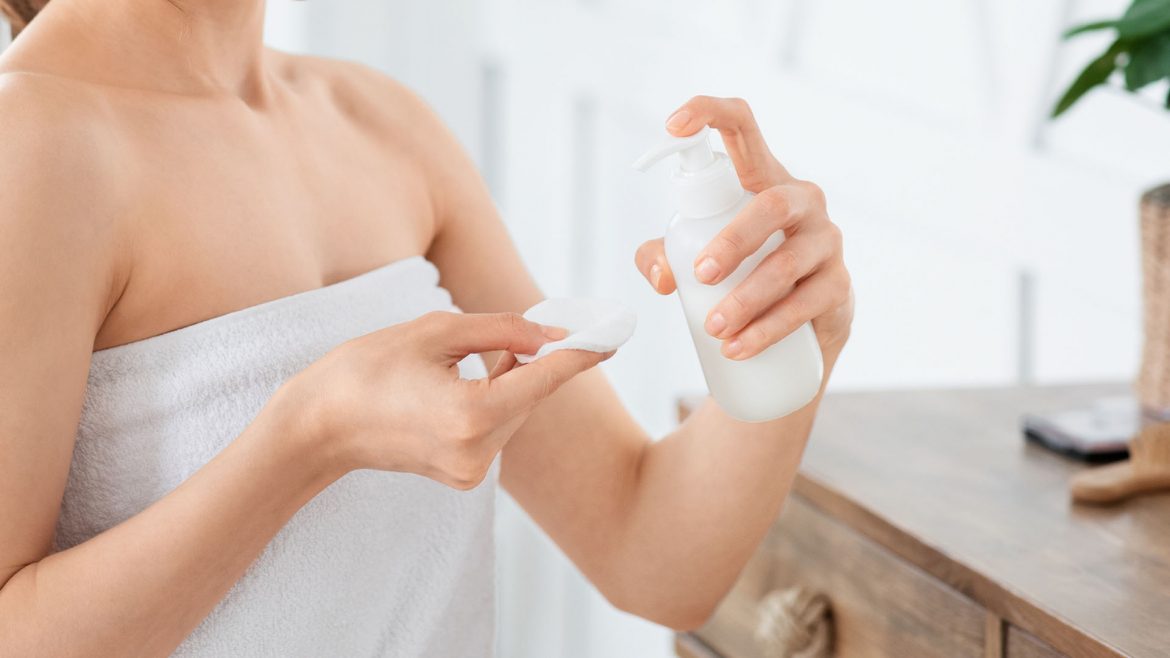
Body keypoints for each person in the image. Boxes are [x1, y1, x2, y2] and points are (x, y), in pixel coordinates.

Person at [0, 0, 854, 655]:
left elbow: (653, 555)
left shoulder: (378, 122)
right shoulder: (33, 145)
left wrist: (795, 329)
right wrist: (306, 439)